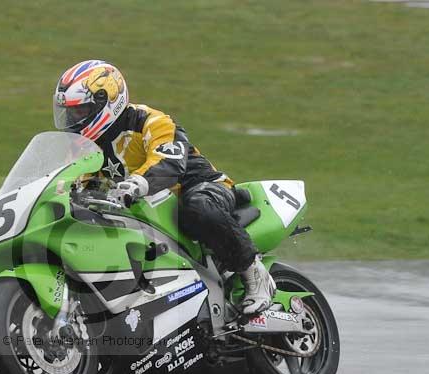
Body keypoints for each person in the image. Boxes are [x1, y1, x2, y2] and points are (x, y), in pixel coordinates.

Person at [53, 60, 275, 314]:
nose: (72, 119)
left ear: (107, 101)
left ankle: (254, 272)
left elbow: (169, 162)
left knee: (197, 206)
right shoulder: (81, 147)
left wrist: (137, 183)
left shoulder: (150, 121)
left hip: (200, 187)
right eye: (68, 112)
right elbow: (73, 180)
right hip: (144, 211)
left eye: (80, 111)